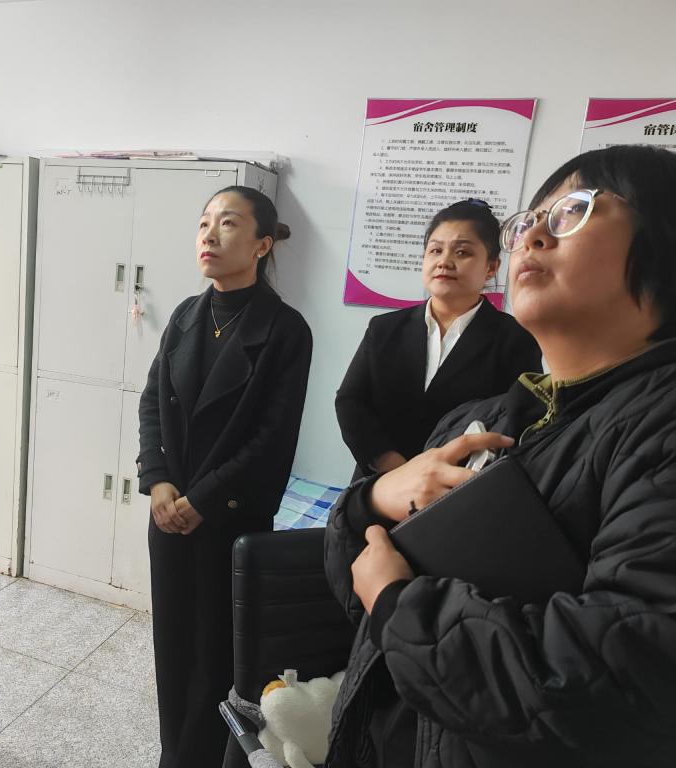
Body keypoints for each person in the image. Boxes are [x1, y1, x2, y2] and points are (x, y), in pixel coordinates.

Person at [324, 144, 676, 767]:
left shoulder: (658, 425)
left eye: (573, 211)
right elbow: (357, 588)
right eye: (528, 220)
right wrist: (375, 497)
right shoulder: (481, 418)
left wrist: (400, 608)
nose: (533, 235)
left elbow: (627, 678)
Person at [138, 186, 313, 768]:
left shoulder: (286, 330)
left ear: (262, 244)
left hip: (229, 522)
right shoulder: (186, 315)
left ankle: (201, 759)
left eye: (229, 223)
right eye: (204, 223)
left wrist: (202, 499)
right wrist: (159, 481)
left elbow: (271, 440)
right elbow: (151, 403)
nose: (210, 235)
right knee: (172, 651)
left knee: (217, 658)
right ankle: (173, 755)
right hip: (170, 516)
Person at [336, 199, 541, 482]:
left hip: (460, 488)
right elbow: (350, 402)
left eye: (462, 252)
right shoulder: (384, 328)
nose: (444, 261)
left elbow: (518, 421)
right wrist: (395, 468)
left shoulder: (515, 338)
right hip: (379, 481)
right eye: (435, 250)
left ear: (491, 267)